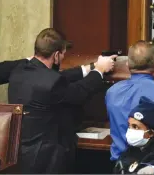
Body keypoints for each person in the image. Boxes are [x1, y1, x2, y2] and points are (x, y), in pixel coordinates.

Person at [8, 28, 117, 174]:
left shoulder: (19, 71)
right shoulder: (51, 82)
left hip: (22, 150)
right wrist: (99, 71)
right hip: (46, 155)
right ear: (56, 54)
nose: (64, 57)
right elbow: (79, 93)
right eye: (64, 54)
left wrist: (88, 68)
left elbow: (56, 77)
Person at [113, 97, 154, 174]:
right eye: (129, 126)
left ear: (151, 133)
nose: (130, 130)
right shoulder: (131, 149)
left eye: (135, 127)